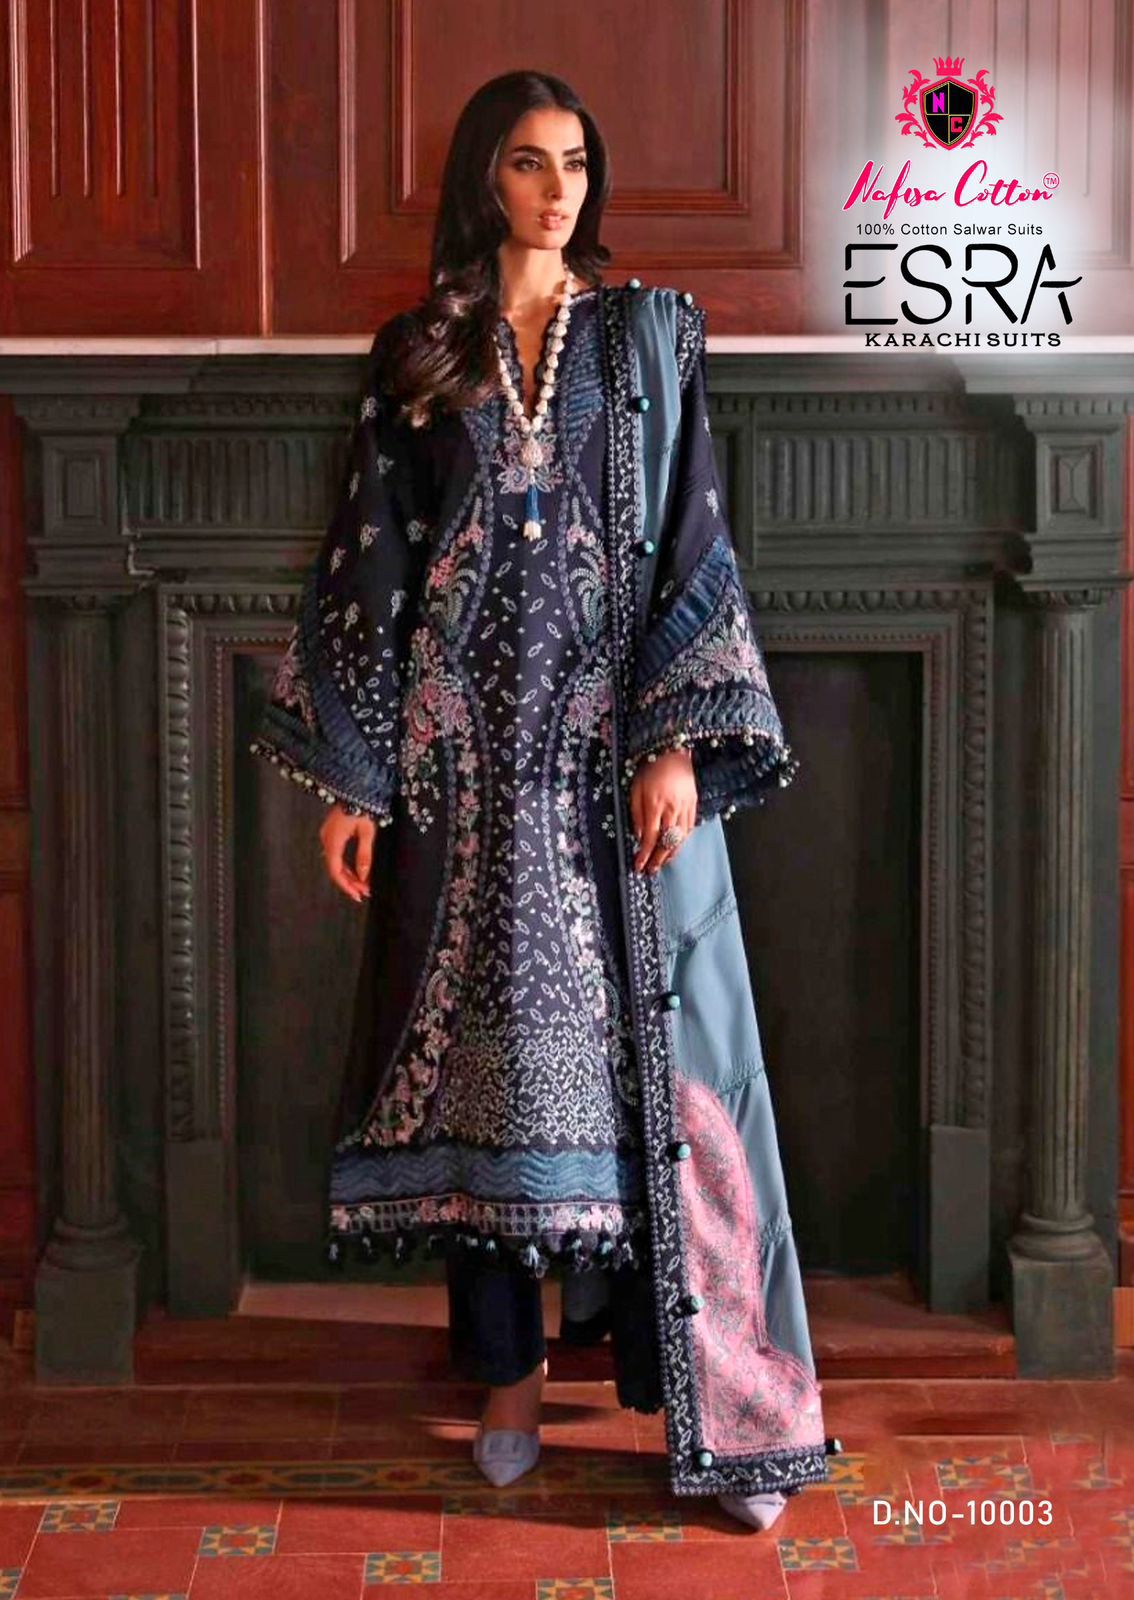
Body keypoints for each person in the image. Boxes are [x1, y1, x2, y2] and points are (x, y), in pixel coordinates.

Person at [250, 69, 836, 1529]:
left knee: (663, 1079)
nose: (557, 189)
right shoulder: (421, 350)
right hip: (463, 781)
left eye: (575, 163)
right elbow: (373, 561)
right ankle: (506, 1387)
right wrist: (359, 779)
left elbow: (693, 537)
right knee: (487, 1093)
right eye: (528, 163)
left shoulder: (647, 339)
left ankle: (707, 1403)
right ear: (484, 178)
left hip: (607, 768)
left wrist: (676, 745)